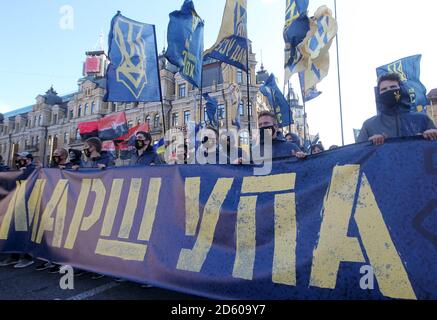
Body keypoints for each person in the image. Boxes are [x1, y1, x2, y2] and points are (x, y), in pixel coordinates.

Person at [357, 73, 437, 145]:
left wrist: (434, 135)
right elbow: (359, 154)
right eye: (384, 89)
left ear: (401, 90)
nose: (389, 90)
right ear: (379, 95)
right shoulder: (369, 125)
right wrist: (369, 144)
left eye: (393, 87)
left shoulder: (422, 119)